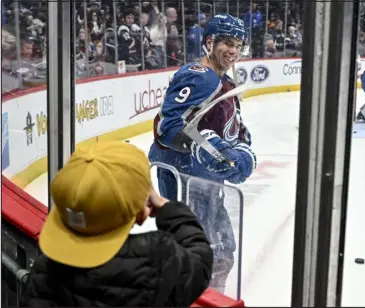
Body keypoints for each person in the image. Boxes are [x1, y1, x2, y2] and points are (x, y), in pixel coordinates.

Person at [22, 141, 213, 307]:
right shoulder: (156, 259)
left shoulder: (44, 270)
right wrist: (167, 208)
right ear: (140, 214)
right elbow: (200, 260)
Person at [148, 13, 257, 293]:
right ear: (210, 42)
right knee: (193, 254)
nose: (233, 51)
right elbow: (167, 127)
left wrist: (242, 152)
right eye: (227, 43)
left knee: (222, 252)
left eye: (238, 45)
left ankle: (210, 296)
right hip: (185, 180)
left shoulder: (226, 83)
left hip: (207, 183)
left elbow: (235, 131)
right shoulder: (199, 77)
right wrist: (201, 145)